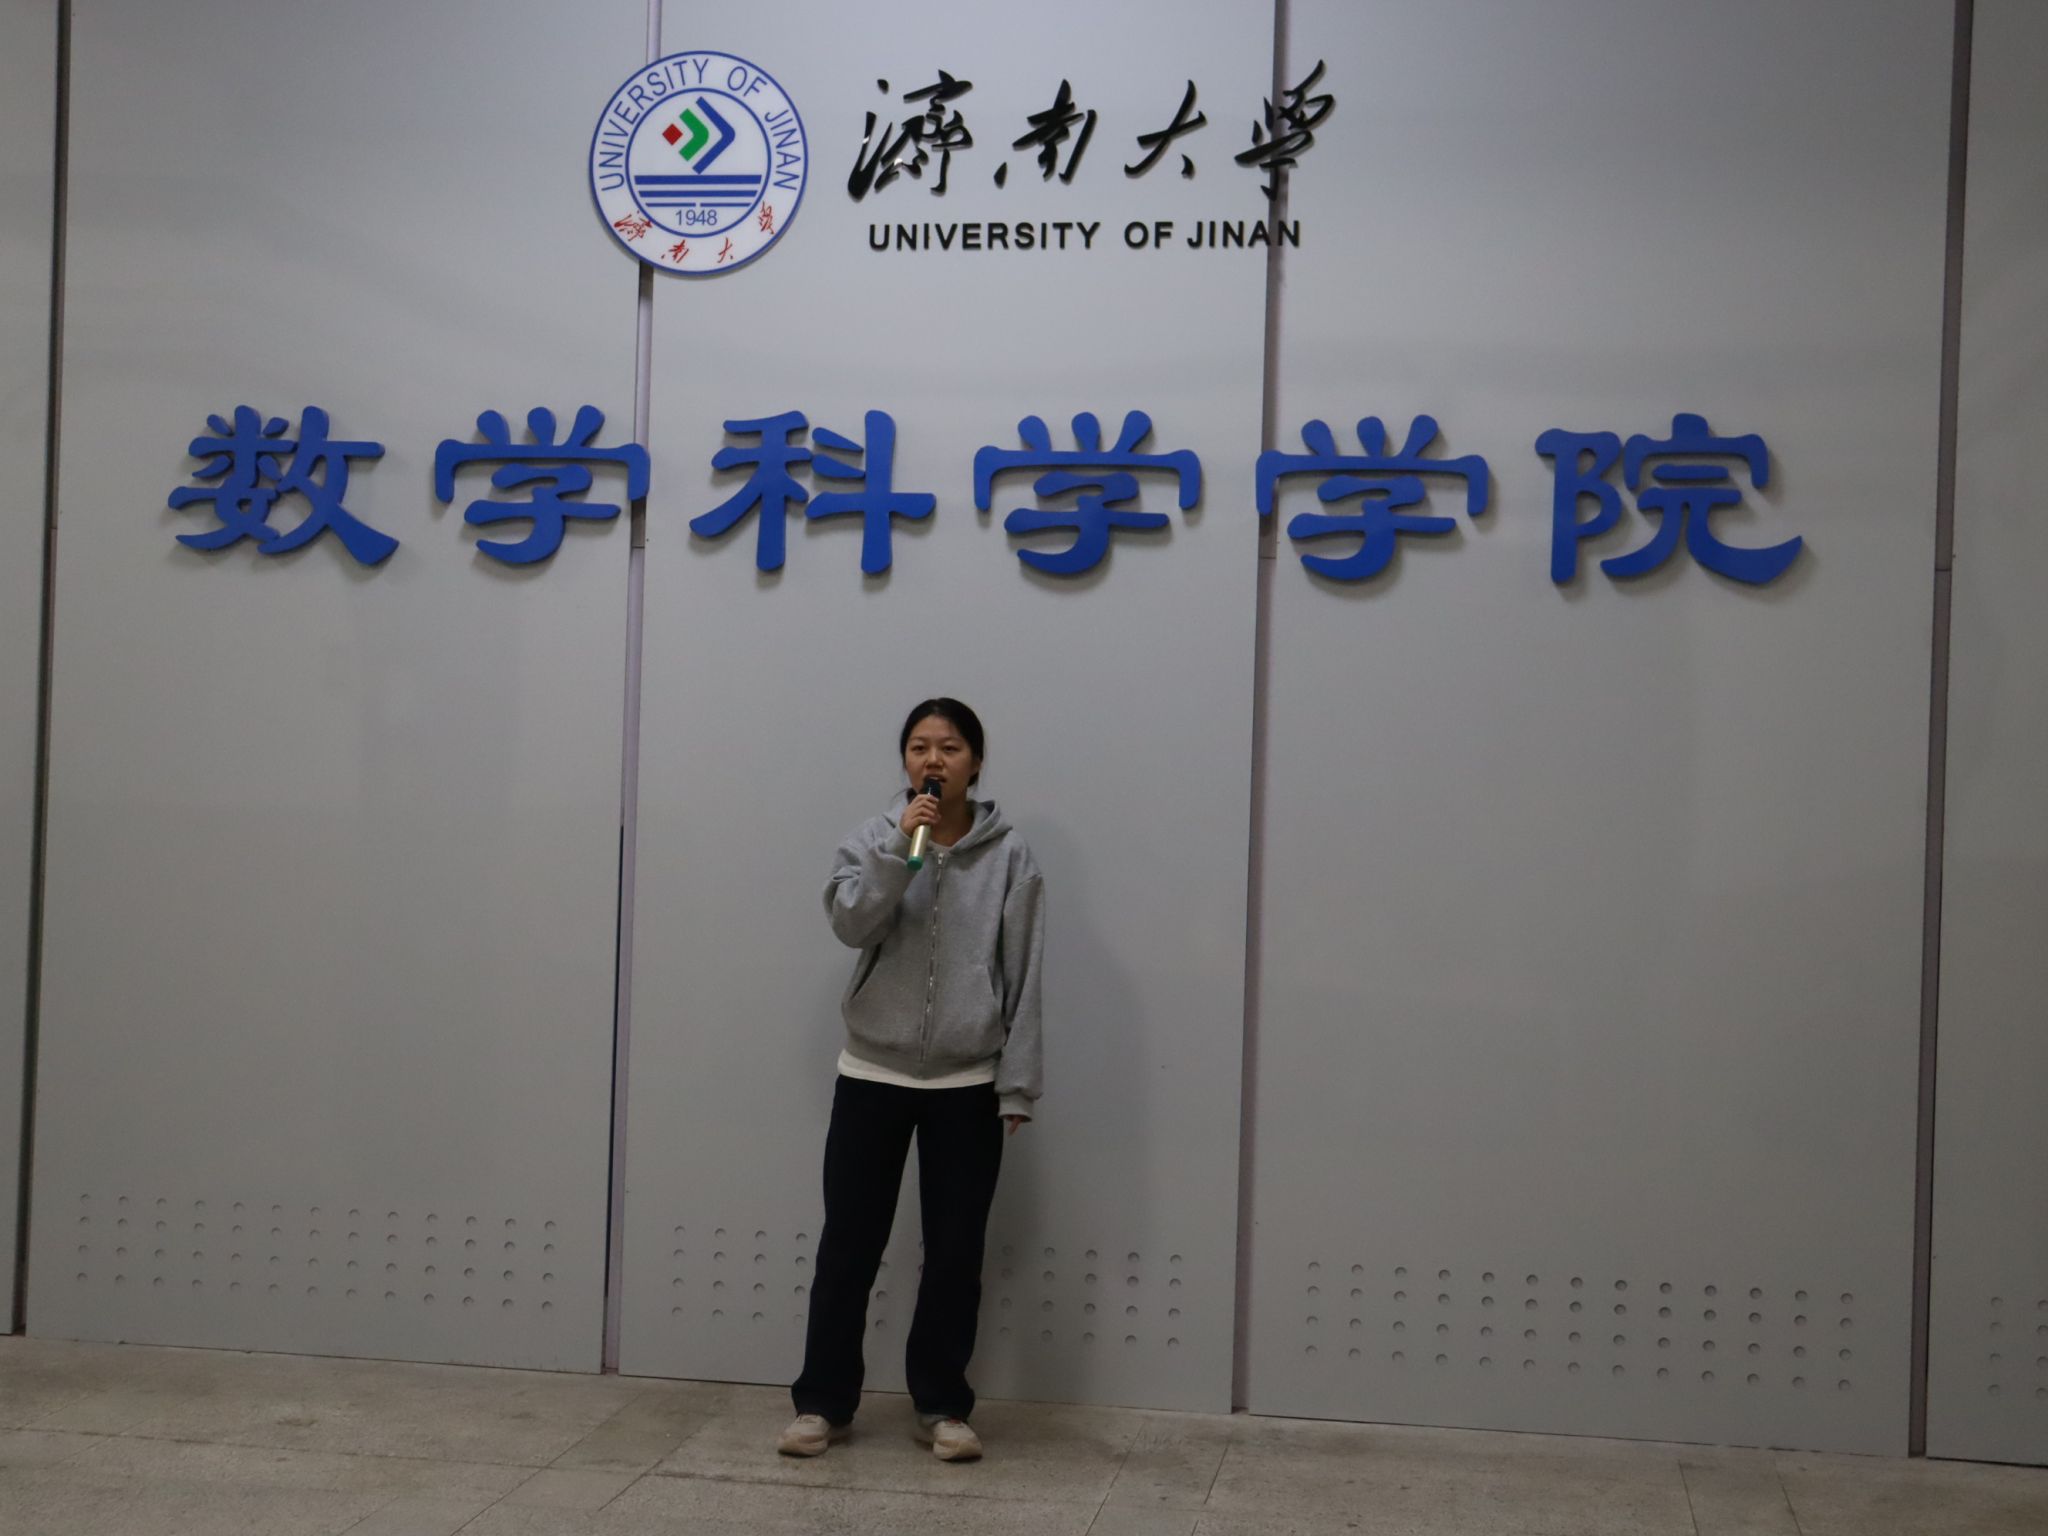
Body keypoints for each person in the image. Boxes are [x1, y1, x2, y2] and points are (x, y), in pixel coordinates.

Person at [778, 698, 1045, 1463]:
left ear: (975, 762)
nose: (934, 759)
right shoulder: (874, 838)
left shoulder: (1010, 855)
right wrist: (901, 847)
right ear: (905, 760)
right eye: (920, 746)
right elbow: (851, 925)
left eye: (950, 747)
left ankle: (942, 1406)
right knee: (848, 1247)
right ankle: (822, 1404)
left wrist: (1017, 1085)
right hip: (873, 1072)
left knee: (956, 1254)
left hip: (967, 1081)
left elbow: (1024, 972)